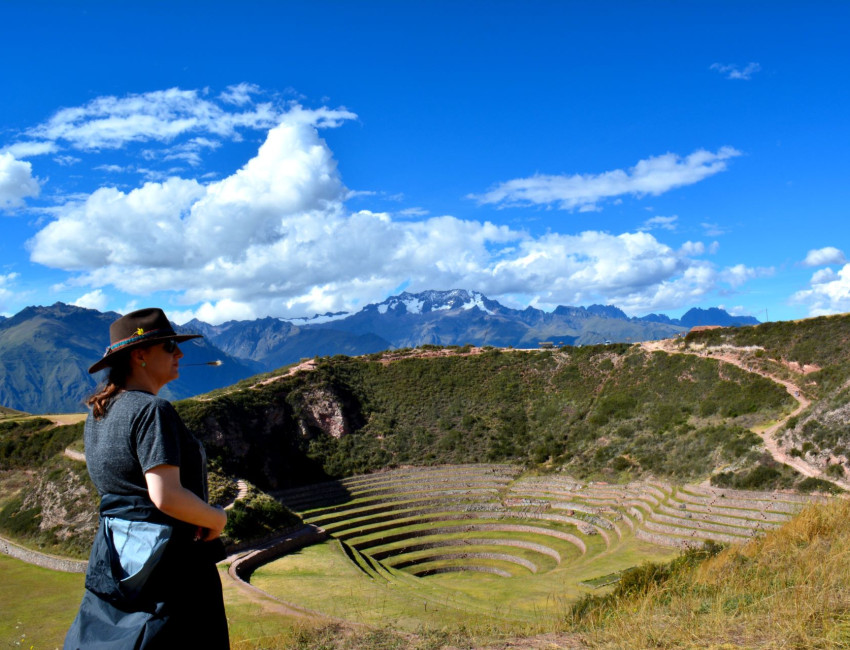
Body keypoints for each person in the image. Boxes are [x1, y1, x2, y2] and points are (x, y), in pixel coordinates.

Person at [64, 308, 229, 649]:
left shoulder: (99, 412)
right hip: (170, 566)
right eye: (170, 346)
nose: (179, 353)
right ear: (140, 355)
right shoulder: (153, 410)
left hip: (117, 555)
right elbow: (165, 496)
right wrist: (216, 517)